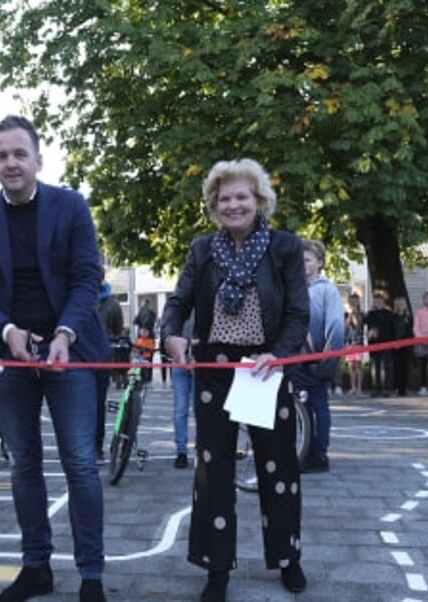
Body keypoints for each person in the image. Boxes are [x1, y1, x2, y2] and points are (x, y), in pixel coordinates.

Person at [0, 115, 109, 602]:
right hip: (12, 355)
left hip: (72, 349)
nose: (11, 163)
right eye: (1, 155)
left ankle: (91, 575)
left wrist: (64, 332)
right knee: (23, 463)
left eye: (19, 153)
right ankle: (35, 567)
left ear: (38, 159)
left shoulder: (69, 206)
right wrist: (7, 331)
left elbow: (88, 277)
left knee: (80, 463)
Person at [161, 158, 309, 602]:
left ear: (259, 199)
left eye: (242, 196)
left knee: (278, 467)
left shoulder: (284, 247)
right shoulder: (203, 250)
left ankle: (288, 558)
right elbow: (179, 300)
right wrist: (171, 335)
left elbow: (298, 314)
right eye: (224, 198)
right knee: (214, 469)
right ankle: (217, 568)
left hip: (265, 369)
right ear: (213, 205)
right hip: (214, 370)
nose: (233, 204)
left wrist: (278, 354)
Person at [296, 239, 344, 473]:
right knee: (301, 409)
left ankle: (319, 454)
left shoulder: (327, 290)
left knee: (319, 406)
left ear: (320, 263)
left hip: (318, 362)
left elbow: (335, 327)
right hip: (297, 361)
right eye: (300, 259)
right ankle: (303, 450)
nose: (302, 264)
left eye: (307, 260)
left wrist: (327, 362)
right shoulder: (295, 289)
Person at [95, 280, 124, 460]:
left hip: (102, 358)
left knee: (98, 404)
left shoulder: (112, 305)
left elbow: (117, 331)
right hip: (79, 359)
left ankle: (97, 445)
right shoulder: (80, 297)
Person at [170, 312, 195, 469]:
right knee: (180, 409)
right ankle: (181, 452)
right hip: (180, 363)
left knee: (201, 410)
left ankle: (203, 448)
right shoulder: (179, 307)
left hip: (200, 363)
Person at [363, 294, 395, 397]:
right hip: (374, 343)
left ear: (383, 303)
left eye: (378, 302)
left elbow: (388, 323)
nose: (376, 303)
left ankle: (386, 388)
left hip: (385, 342)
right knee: (375, 366)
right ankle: (376, 387)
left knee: (386, 366)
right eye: (375, 301)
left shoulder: (388, 313)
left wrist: (379, 312)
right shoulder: (370, 313)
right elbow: (364, 322)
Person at [390, 296, 413, 396]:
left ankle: (405, 388)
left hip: (406, 345)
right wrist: (395, 342)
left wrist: (404, 341)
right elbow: (390, 330)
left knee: (405, 367)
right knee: (396, 367)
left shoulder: (408, 317)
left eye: (401, 304)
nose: (400, 306)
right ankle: (396, 388)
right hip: (395, 345)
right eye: (397, 304)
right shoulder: (392, 317)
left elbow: (410, 331)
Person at [344, 293, 365, 396]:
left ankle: (359, 388)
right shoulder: (346, 314)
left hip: (358, 341)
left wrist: (354, 314)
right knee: (351, 365)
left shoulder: (361, 313)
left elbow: (358, 325)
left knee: (358, 365)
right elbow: (346, 326)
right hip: (349, 341)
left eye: (355, 301)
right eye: (351, 301)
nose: (353, 303)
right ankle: (353, 387)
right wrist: (350, 314)